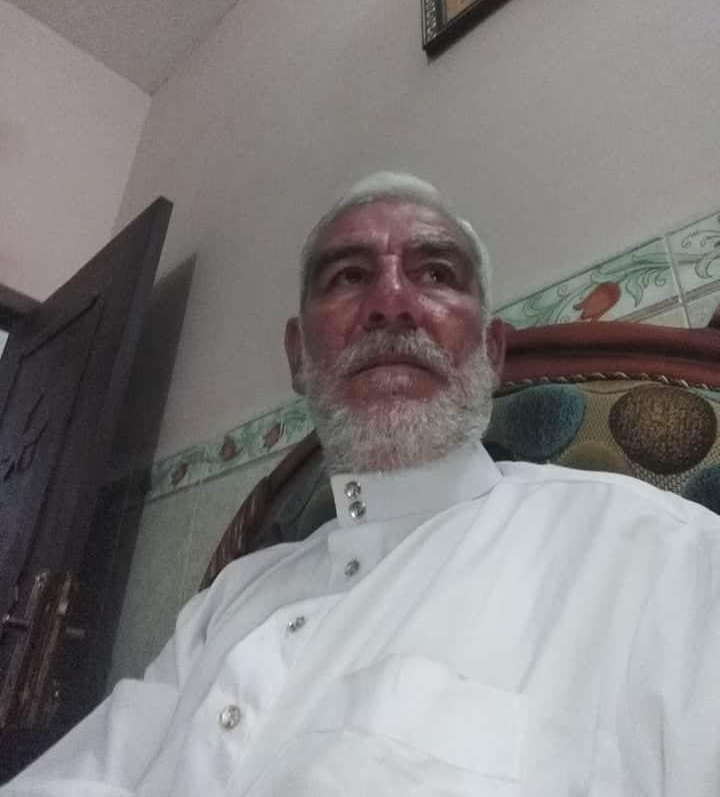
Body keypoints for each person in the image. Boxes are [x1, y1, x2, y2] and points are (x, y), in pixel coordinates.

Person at [4, 172, 720, 796]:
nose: (391, 303)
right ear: (298, 357)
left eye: (436, 273)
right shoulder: (228, 599)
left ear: (492, 351)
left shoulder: (664, 559)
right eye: (347, 277)